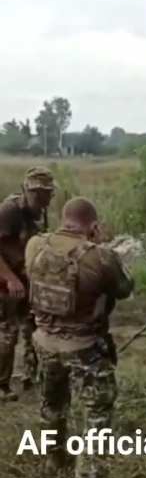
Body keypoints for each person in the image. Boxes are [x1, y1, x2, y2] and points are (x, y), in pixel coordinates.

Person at [25, 197, 134, 478]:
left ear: (63, 219)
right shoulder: (100, 256)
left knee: (52, 404)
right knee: (96, 418)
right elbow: (124, 290)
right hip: (84, 347)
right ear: (94, 226)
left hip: (44, 341)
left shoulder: (36, 244)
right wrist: (109, 253)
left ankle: (54, 459)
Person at [0, 166, 56, 402]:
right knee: (6, 332)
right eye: (37, 193)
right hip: (6, 279)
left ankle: (31, 376)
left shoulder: (39, 212)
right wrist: (10, 278)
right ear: (26, 190)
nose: (42, 197)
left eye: (46, 193)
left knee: (33, 326)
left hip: (27, 277)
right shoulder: (9, 211)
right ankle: (1, 384)